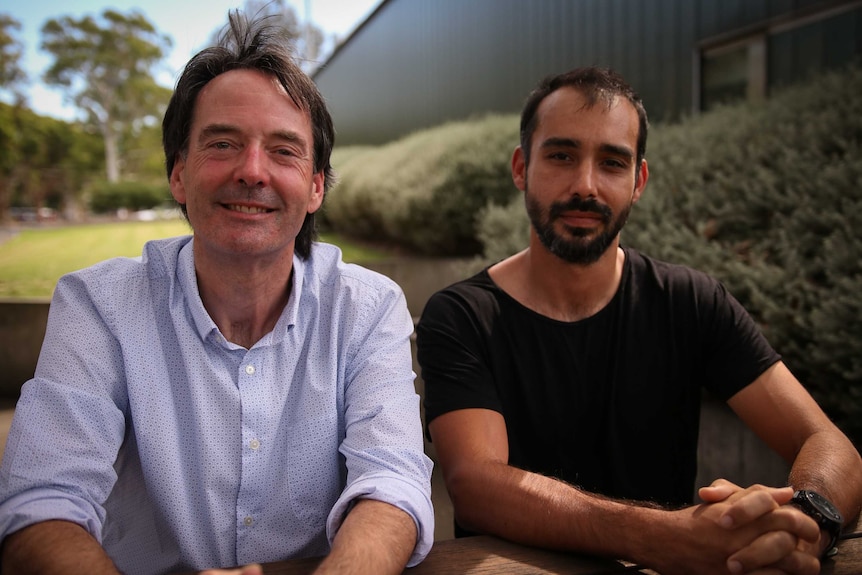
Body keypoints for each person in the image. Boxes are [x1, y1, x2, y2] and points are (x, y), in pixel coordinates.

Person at [0, 12, 433, 575]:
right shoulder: (98, 307)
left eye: (284, 151)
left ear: (316, 186)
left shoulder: (369, 309)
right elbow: (42, 502)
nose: (252, 171)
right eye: (223, 143)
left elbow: (392, 480)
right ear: (178, 173)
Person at [415, 66, 862, 575]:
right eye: (561, 156)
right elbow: (476, 485)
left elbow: (828, 444)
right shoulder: (461, 316)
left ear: (638, 181)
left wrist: (807, 522)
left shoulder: (690, 300)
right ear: (521, 168)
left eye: (612, 162)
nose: (585, 185)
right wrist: (665, 537)